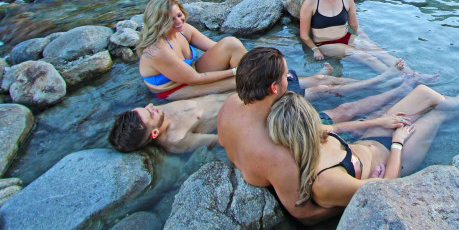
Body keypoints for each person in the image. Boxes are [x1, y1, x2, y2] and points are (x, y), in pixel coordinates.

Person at [219, 47, 418, 224]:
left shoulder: (232, 104)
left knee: (346, 110)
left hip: (296, 125)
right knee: (351, 111)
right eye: (286, 76)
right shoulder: (278, 154)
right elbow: (305, 215)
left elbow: (222, 140)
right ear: (274, 88)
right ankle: (400, 90)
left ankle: (394, 88)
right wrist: (352, 194)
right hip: (315, 156)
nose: (289, 79)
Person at [266, 66, 459, 210]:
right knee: (436, 116)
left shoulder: (311, 135)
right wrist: (398, 141)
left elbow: (337, 127)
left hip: (376, 139)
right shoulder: (325, 181)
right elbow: (386, 188)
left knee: (423, 94)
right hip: (396, 162)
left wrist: (378, 122)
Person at [109, 61, 413, 154]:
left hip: (254, 93)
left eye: (144, 108)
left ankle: (386, 81)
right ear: (153, 135)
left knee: (321, 86)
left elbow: (201, 88)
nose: (150, 107)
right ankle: (397, 86)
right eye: (148, 114)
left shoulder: (162, 108)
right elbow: (225, 141)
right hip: (266, 111)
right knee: (341, 106)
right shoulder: (177, 140)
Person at [299, 0, 437, 80]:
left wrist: (366, 39)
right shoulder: (310, 2)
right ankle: (397, 79)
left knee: (379, 51)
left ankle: (414, 75)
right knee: (366, 57)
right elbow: (304, 35)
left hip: (346, 37)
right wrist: (315, 49)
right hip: (325, 43)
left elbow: (354, 25)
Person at [137, 0, 246, 100]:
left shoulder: (184, 30)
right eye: (171, 19)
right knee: (241, 80)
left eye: (179, 15)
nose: (179, 22)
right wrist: (236, 71)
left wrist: (253, 60)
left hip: (192, 72)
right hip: (174, 88)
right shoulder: (158, 50)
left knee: (231, 44)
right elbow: (195, 78)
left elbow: (218, 48)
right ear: (159, 22)